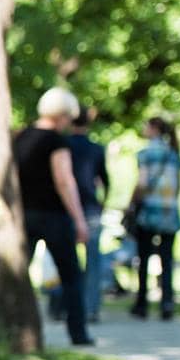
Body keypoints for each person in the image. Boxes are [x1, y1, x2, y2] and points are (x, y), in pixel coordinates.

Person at [13, 87, 93, 346]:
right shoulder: (57, 141)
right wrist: (79, 219)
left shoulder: (20, 137)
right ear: (64, 115)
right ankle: (78, 333)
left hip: (24, 215)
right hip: (54, 216)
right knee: (71, 276)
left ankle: (15, 327)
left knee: (18, 273)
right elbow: (64, 180)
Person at [129, 116, 180, 320]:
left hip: (149, 211)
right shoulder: (174, 154)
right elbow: (178, 185)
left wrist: (131, 202)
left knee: (143, 259)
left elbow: (142, 183)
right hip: (169, 211)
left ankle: (142, 303)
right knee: (167, 260)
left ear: (154, 129)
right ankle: (166, 301)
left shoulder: (146, 154)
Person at [67, 108, 109, 322]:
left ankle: (65, 306)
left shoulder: (64, 145)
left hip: (66, 208)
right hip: (91, 208)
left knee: (66, 259)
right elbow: (105, 181)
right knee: (93, 260)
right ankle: (91, 308)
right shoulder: (96, 149)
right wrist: (103, 203)